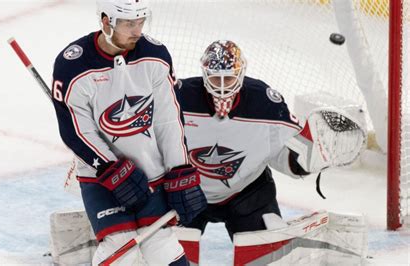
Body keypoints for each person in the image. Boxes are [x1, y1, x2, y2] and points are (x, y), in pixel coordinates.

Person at [50, 0, 206, 264]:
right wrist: (111, 168)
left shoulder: (155, 56)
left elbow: (169, 120)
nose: (137, 30)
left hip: (150, 171)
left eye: (141, 21)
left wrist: (179, 169)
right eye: (128, 23)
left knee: (162, 245)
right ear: (105, 20)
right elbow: (76, 131)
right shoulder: (73, 66)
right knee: (120, 250)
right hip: (100, 177)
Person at [174, 40, 314, 262]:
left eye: (228, 78)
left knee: (268, 260)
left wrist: (304, 160)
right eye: (215, 78)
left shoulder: (265, 102)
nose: (222, 87)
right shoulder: (178, 98)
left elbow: (283, 152)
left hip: (248, 194)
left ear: (241, 73)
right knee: (167, 257)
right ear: (204, 74)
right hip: (188, 192)